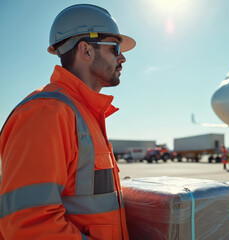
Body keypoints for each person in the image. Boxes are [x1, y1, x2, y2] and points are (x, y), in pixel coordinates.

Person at [0, 4, 135, 239]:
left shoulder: (82, 113)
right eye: (115, 48)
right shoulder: (47, 112)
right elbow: (29, 226)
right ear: (86, 50)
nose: (122, 57)